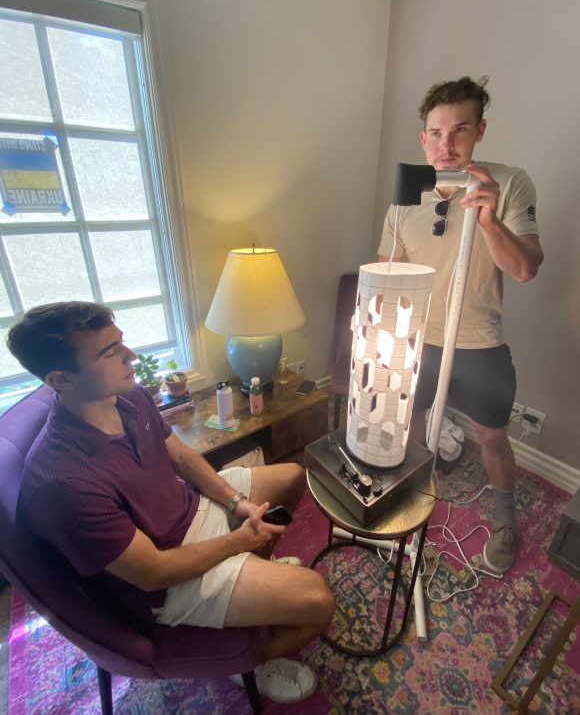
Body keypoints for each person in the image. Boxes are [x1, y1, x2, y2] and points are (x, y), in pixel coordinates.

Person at [8, 302, 335, 705]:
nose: (131, 357)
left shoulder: (128, 396)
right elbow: (153, 574)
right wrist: (241, 541)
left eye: (122, 343)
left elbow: (179, 456)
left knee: (288, 476)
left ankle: (254, 579)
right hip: (167, 579)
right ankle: (247, 660)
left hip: (189, 509)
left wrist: (236, 504)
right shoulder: (63, 482)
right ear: (61, 378)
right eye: (109, 352)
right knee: (318, 601)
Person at [378, 76, 544, 574]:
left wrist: (490, 219)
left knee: (490, 435)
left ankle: (505, 521)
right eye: (436, 133)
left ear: (480, 131)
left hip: (477, 340)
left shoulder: (510, 184)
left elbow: (525, 268)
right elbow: (388, 272)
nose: (446, 145)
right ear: (422, 138)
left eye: (459, 131)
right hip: (418, 338)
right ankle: (400, 504)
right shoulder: (406, 199)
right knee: (403, 424)